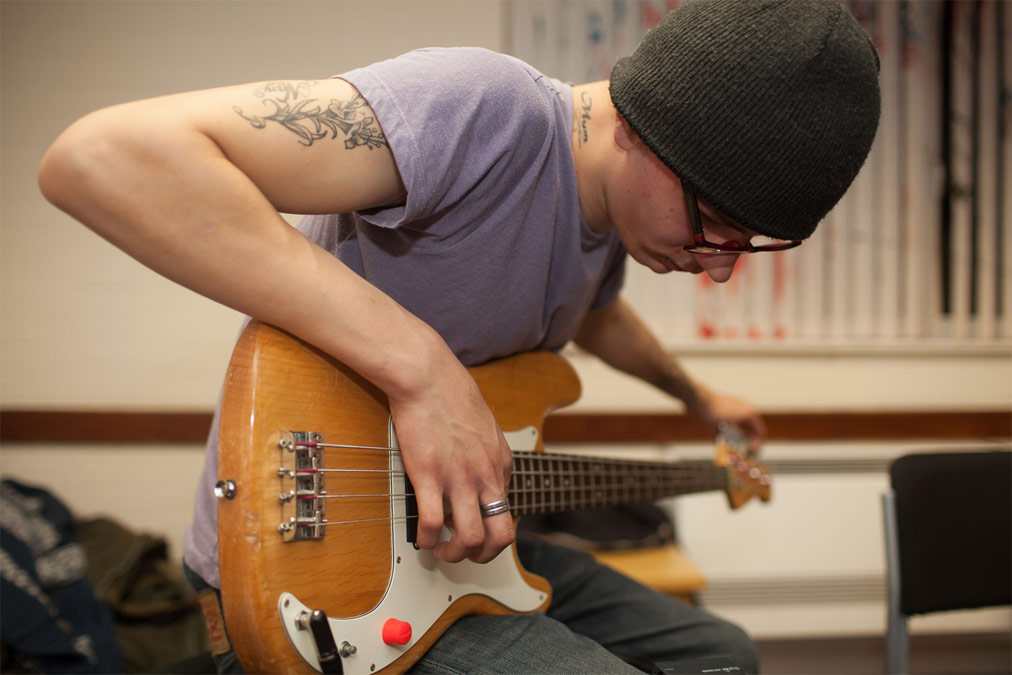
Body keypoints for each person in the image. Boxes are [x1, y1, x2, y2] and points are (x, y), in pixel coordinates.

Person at [38, 0, 880, 672]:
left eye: (748, 243)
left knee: (720, 651)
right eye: (715, 226)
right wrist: (420, 366)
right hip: (316, 564)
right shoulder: (483, 110)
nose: (721, 268)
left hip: (458, 547)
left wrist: (699, 397)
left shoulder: (616, 226)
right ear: (638, 126)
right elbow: (101, 158)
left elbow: (596, 316)